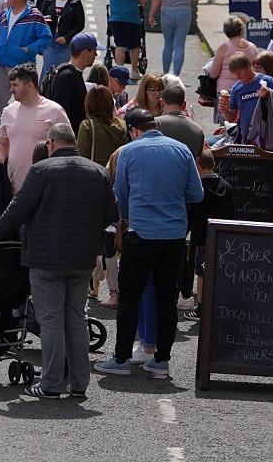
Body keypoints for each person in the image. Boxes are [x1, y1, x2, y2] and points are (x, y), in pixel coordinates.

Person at [0, 119, 113, 399]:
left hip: (46, 258)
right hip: (82, 260)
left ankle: (51, 384)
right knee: (76, 318)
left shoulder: (41, 170)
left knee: (51, 320)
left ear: (52, 144)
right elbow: (111, 215)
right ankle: (79, 384)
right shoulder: (97, 172)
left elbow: (18, 209)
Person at [94, 108, 204, 380]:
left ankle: (121, 358)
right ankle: (161, 361)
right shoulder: (181, 150)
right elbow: (196, 193)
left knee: (130, 297)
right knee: (167, 299)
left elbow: (120, 193)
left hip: (141, 233)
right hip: (174, 235)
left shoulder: (129, 152)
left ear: (133, 130)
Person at [0, 63, 69, 194]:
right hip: (14, 187)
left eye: (15, 85)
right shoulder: (7, 111)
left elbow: (68, 148)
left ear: (29, 86)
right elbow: (2, 143)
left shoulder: (55, 111)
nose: (11, 89)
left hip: (46, 189)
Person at [0, 0, 52, 111]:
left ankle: (25, 121)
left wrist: (28, 49)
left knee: (25, 98)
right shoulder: (5, 13)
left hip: (22, 66)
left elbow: (46, 38)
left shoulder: (35, 16)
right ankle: (11, 118)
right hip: (2, 63)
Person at [150, 0, 200, 77]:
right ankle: (176, 75)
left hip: (167, 13)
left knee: (168, 44)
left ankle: (166, 73)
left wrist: (151, 14)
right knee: (179, 45)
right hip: (184, 13)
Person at [44, 31, 99, 131]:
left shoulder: (72, 73)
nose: (96, 54)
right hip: (66, 138)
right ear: (86, 52)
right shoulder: (68, 77)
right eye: (94, 51)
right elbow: (60, 112)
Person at [103, 0, 147, 71]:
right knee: (134, 46)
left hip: (116, 17)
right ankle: (134, 70)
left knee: (119, 45)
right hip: (132, 17)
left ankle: (120, 69)